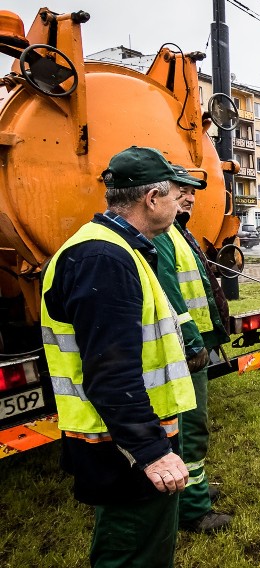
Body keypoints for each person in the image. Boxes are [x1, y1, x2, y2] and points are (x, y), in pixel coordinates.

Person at [41, 146, 202, 567]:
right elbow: (111, 372)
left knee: (146, 539)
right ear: (152, 198)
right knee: (132, 548)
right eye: (173, 195)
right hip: (120, 446)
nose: (179, 204)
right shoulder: (103, 258)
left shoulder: (119, 248)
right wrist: (151, 451)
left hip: (129, 435)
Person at [153, 183, 233, 533]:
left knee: (194, 429)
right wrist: (192, 339)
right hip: (186, 351)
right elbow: (171, 291)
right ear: (158, 194)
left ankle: (195, 491)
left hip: (195, 346)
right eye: (181, 190)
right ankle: (193, 510)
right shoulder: (162, 236)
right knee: (187, 430)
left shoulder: (179, 231)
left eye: (194, 192)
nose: (189, 197)